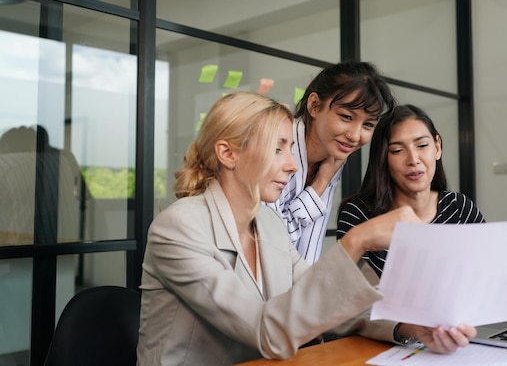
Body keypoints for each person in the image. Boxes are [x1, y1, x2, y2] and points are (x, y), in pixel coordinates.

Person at [136, 93, 476, 366]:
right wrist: (357, 240)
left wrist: (408, 327)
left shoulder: (267, 223)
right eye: (278, 148)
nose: (293, 164)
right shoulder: (178, 228)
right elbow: (266, 330)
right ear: (228, 154)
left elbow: (324, 299)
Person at [264, 60, 396, 264]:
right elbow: (271, 243)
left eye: (368, 124)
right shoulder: (274, 146)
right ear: (314, 105)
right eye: (346, 117)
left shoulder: (333, 158)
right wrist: (319, 184)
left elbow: (309, 249)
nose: (355, 135)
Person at [337, 104, 486, 277]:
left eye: (422, 145)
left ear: (437, 148)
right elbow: (349, 290)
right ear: (383, 159)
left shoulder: (459, 207)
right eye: (397, 150)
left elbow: (488, 267)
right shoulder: (359, 214)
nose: (413, 159)